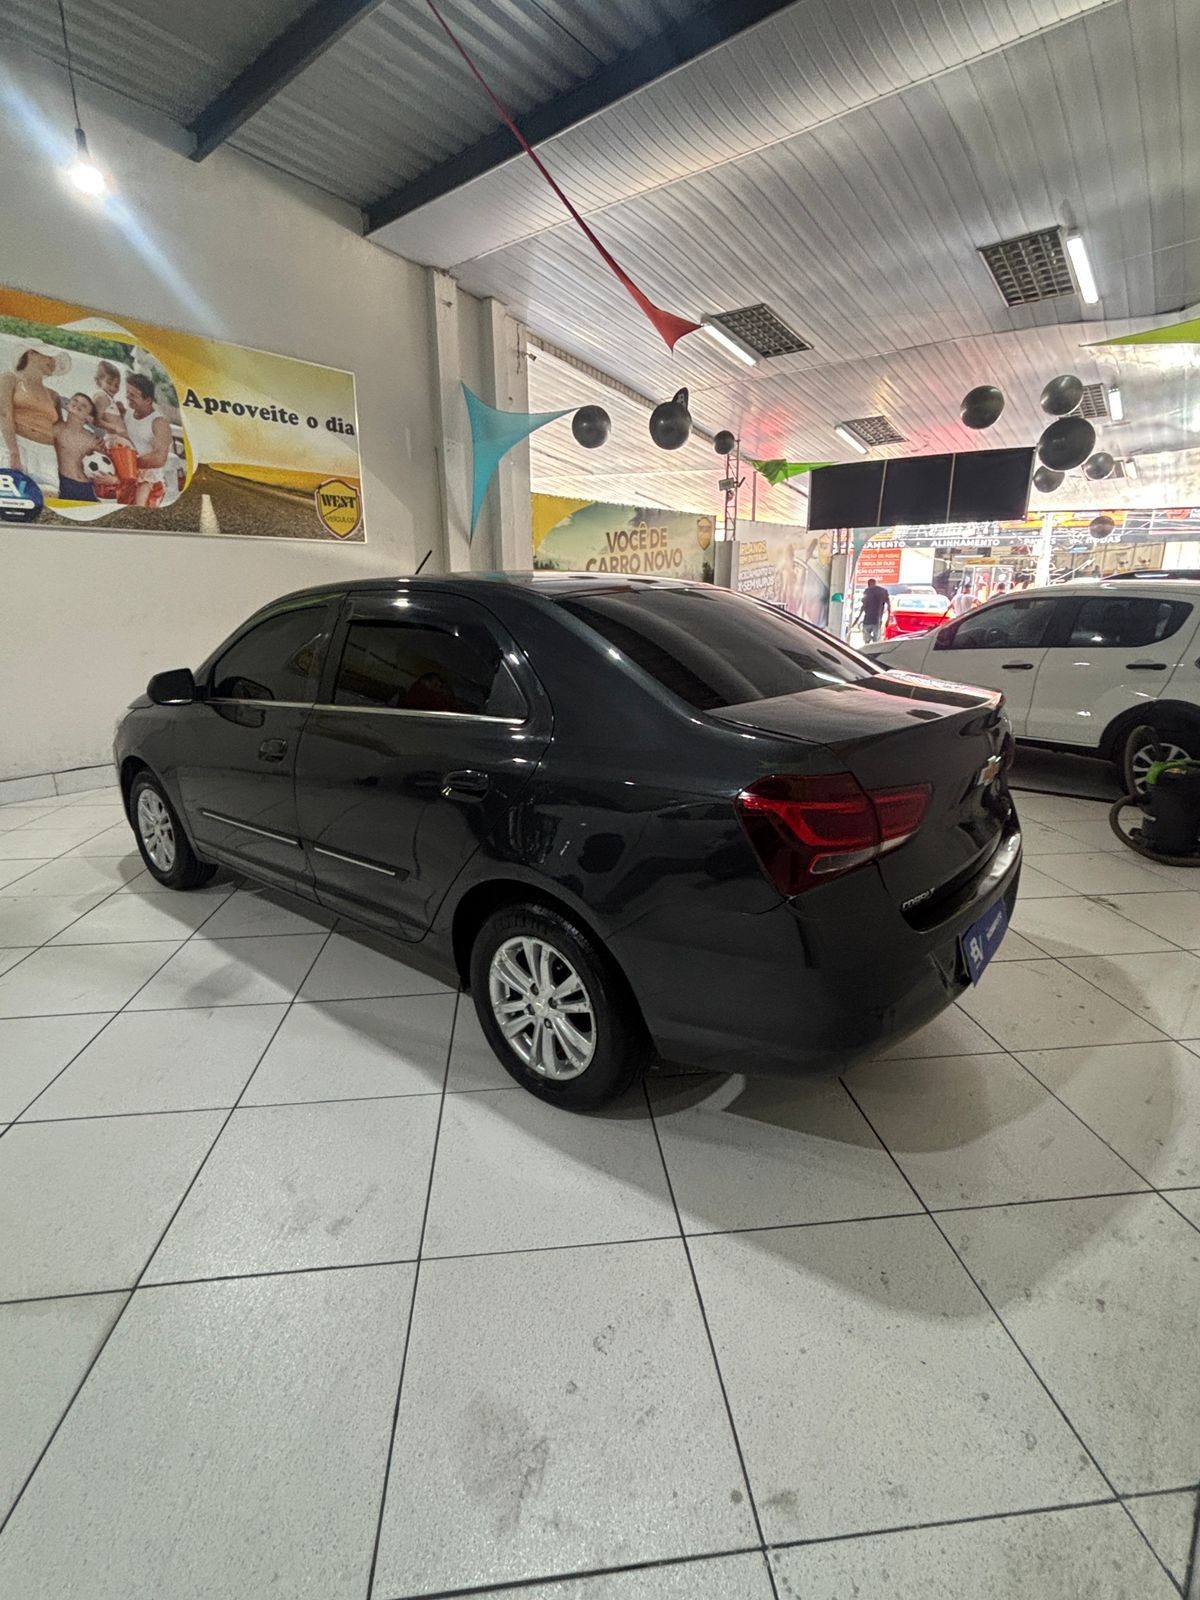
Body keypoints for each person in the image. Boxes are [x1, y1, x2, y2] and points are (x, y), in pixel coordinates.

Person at [0, 343, 70, 492]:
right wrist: (13, 452)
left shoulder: (53, 395)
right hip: (17, 445)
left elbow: (61, 432)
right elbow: (4, 414)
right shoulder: (9, 378)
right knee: (11, 495)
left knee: (48, 497)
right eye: (50, 356)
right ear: (31, 354)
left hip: (47, 454)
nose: (54, 362)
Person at [124, 371, 173, 507]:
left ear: (148, 400)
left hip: (150, 483)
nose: (128, 397)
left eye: (133, 395)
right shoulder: (128, 414)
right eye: (128, 393)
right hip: (129, 478)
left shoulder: (159, 423)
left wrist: (127, 462)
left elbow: (159, 458)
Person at [53, 392, 110, 501]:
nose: (78, 405)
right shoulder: (57, 429)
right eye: (75, 400)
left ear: (89, 418)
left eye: (83, 406)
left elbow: (109, 462)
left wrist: (112, 478)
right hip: (66, 484)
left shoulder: (92, 439)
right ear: (68, 404)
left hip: (87, 487)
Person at [92, 359, 129, 437]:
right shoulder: (101, 396)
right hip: (112, 439)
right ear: (98, 381)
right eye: (109, 383)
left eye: (116, 385)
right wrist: (115, 427)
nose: (113, 388)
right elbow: (96, 420)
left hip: (118, 438)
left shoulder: (108, 398)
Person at [855, 577, 891, 644]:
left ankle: (867, 648)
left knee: (866, 640)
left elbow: (863, 606)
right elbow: (889, 605)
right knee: (876, 641)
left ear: (868, 584)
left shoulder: (867, 591)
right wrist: (888, 619)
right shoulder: (883, 591)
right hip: (877, 620)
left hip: (867, 619)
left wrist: (858, 617)